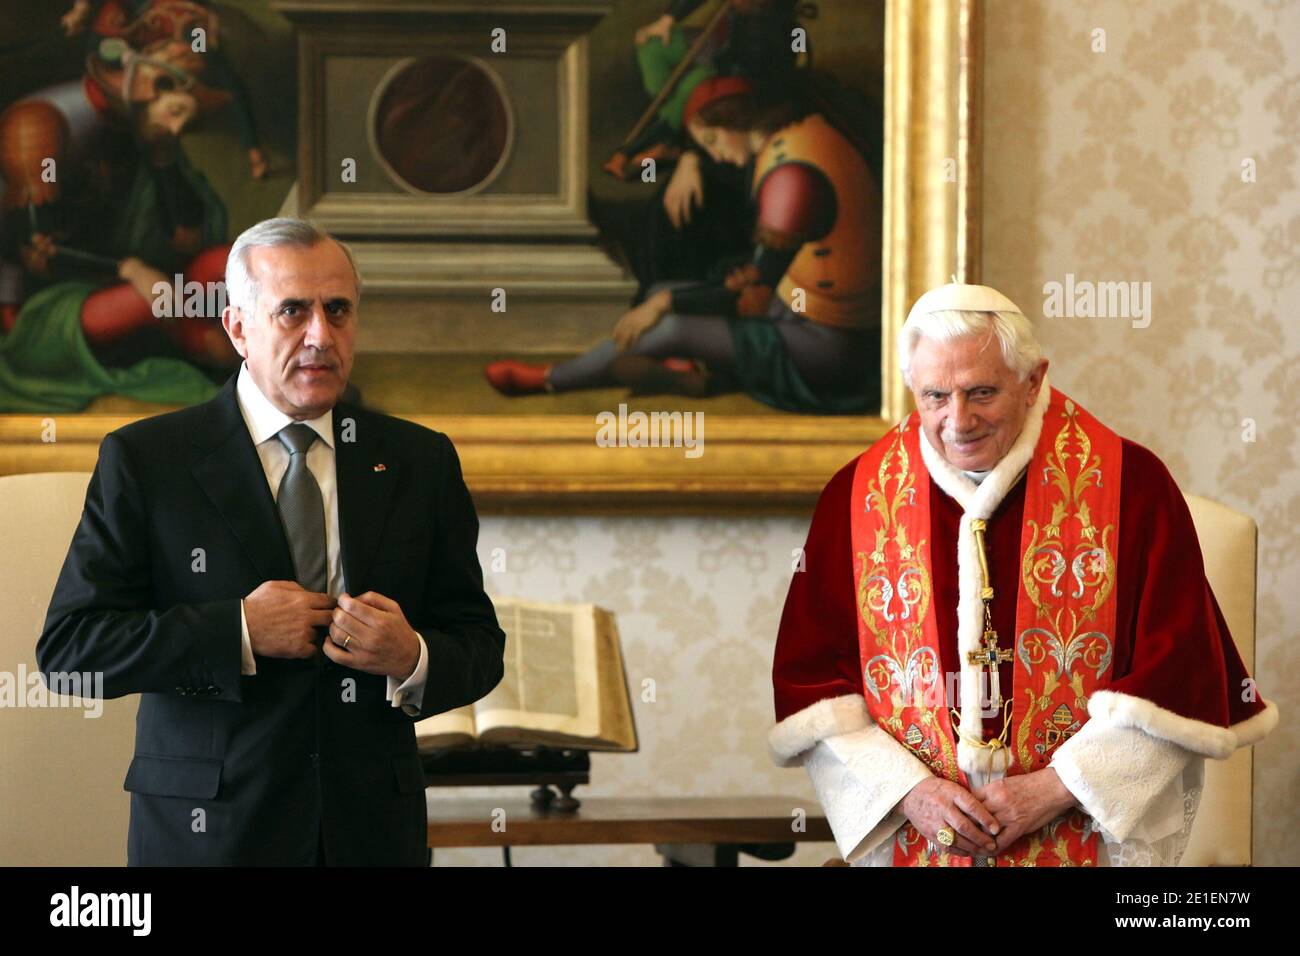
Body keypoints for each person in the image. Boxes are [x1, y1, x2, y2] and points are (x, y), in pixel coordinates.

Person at [36, 217, 506, 866]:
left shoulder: (418, 460)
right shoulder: (150, 460)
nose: (321, 335)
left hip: (371, 835)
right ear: (237, 328)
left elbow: (480, 646)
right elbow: (71, 652)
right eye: (293, 311)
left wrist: (412, 655)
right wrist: (237, 633)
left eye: (338, 310)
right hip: (209, 834)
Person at [768, 281, 1278, 866]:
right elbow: (816, 693)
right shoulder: (854, 498)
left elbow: (1179, 681)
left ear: (1033, 379)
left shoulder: (1131, 486)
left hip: (1079, 838)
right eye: (935, 395)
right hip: (921, 839)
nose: (957, 420)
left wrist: (1060, 787)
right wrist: (910, 793)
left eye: (980, 392)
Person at [485, 75, 882, 415]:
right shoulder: (796, 136)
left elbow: (753, 291)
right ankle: (697, 367)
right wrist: (664, 299)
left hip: (830, 348)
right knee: (661, 293)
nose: (714, 154)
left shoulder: (791, 176)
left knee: (668, 320)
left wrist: (663, 307)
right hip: (798, 308)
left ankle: (551, 378)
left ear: (737, 119)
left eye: (711, 139)